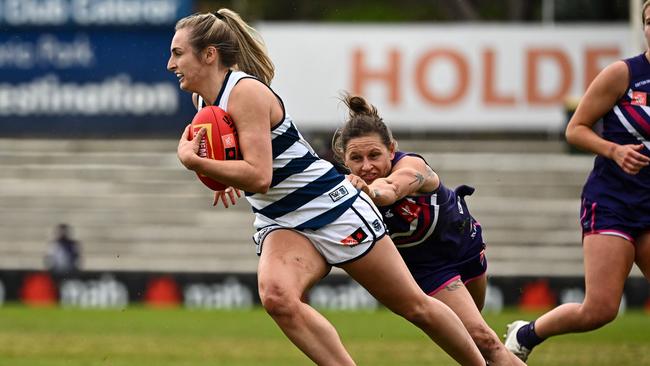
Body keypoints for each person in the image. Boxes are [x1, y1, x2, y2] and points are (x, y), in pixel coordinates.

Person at [168, 8, 485, 366]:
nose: (169, 64)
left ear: (209, 54)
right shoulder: (203, 102)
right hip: (280, 218)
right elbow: (247, 166)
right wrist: (222, 174)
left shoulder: (245, 92)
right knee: (277, 298)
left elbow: (259, 176)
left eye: (178, 53)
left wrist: (195, 162)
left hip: (332, 207)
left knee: (415, 306)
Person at [503, 2, 650, 362]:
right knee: (599, 310)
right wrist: (614, 151)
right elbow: (575, 129)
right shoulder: (623, 74)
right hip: (613, 202)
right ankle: (526, 333)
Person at [331, 94, 525, 366]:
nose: (367, 166)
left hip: (464, 244)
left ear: (391, 148)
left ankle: (513, 344)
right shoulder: (343, 189)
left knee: (480, 339)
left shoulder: (412, 166)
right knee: (484, 340)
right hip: (428, 267)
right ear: (344, 160)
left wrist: (369, 191)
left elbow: (392, 190)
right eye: (356, 158)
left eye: (374, 155)